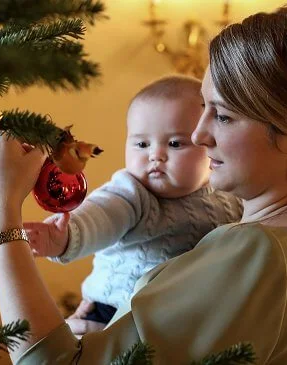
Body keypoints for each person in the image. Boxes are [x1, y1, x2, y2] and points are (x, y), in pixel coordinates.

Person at [0, 4, 287, 364]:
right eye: (204, 110)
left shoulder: (258, 254)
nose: (199, 134)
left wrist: (0, 210)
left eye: (223, 115)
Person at [23, 75, 242, 334]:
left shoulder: (228, 195)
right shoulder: (132, 192)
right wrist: (65, 237)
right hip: (111, 315)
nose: (155, 155)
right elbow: (102, 215)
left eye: (174, 143)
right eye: (141, 144)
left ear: (209, 143)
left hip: (182, 323)